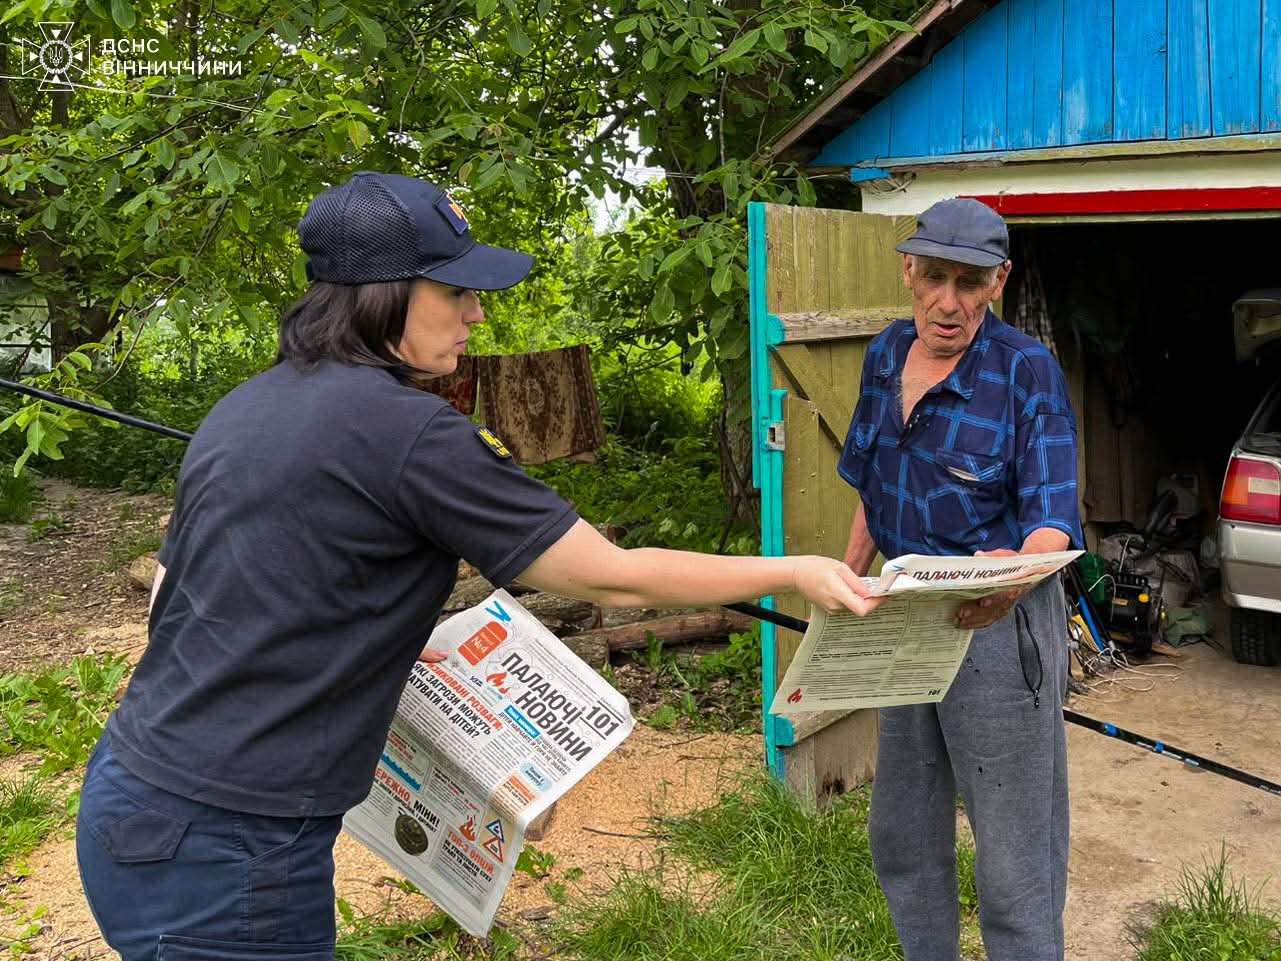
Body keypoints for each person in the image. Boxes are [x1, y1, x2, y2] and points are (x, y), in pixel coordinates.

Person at [75, 171, 880, 961]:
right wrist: (793, 571)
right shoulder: (413, 434)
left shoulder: (246, 404)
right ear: (382, 295)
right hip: (232, 849)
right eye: (454, 291)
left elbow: (186, 603)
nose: (476, 313)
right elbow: (612, 575)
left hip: (135, 793)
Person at [838, 198, 1082, 961]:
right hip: (906, 613)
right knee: (902, 832)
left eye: (969, 282)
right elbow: (873, 484)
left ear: (997, 281)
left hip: (998, 627)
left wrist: (1007, 580)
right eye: (935, 277)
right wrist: (845, 584)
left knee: (1013, 859)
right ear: (909, 271)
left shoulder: (1025, 371)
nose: (948, 302)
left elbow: (1051, 519)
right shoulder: (885, 355)